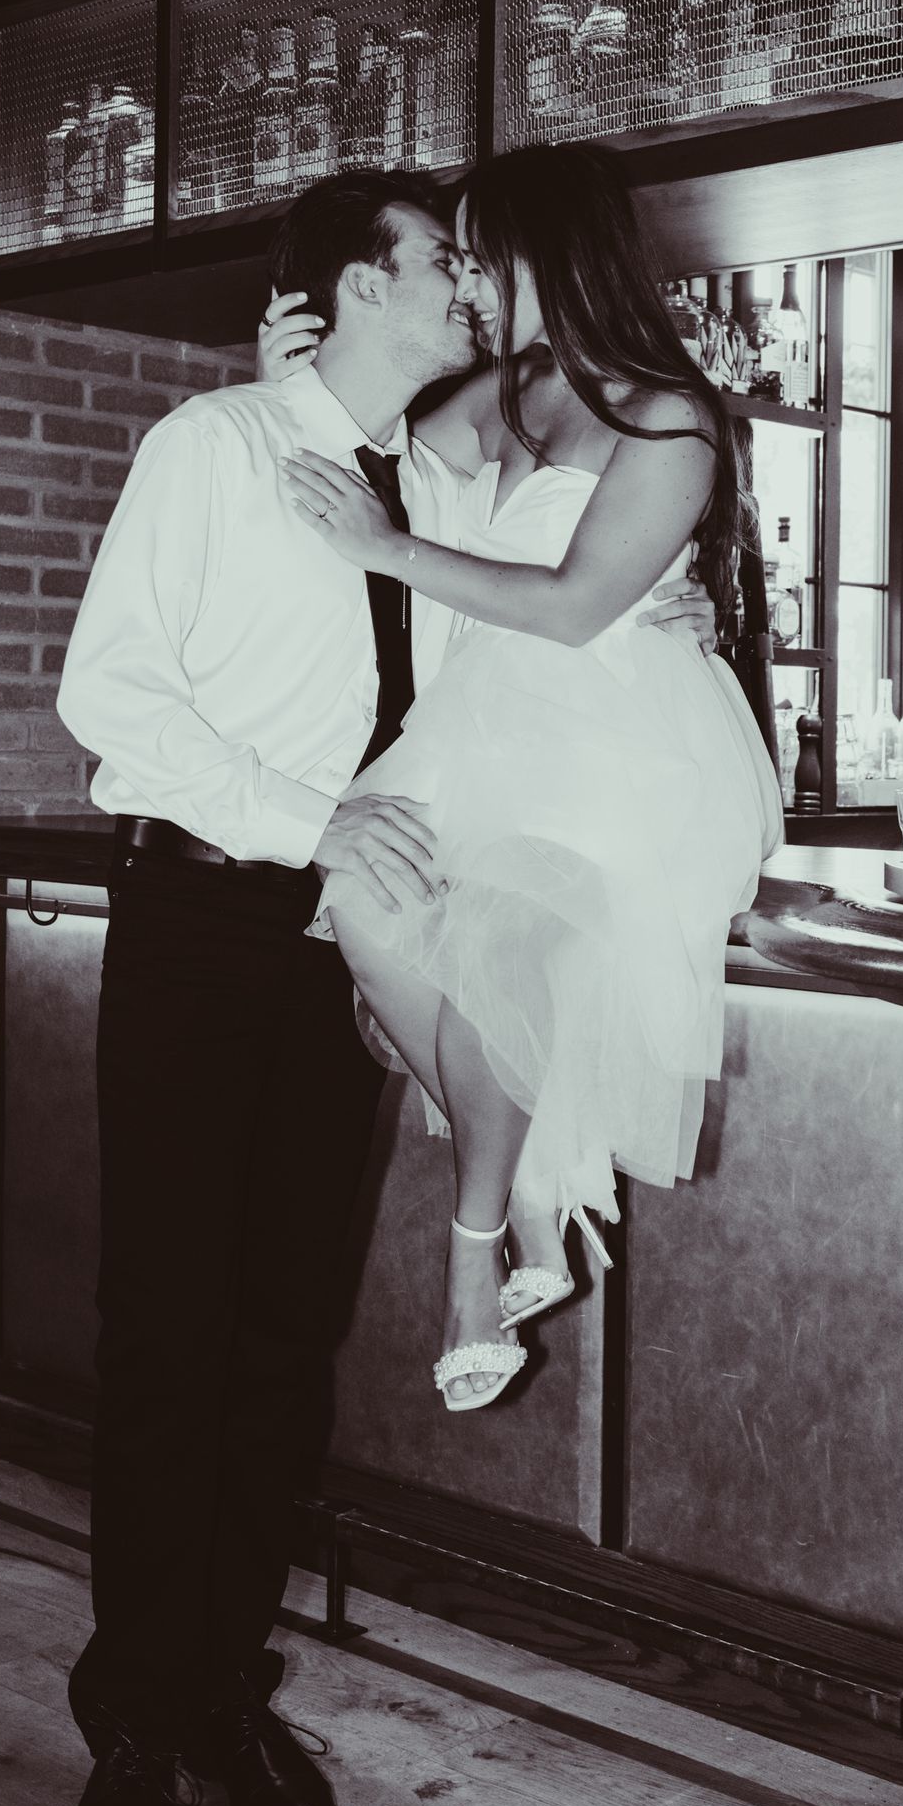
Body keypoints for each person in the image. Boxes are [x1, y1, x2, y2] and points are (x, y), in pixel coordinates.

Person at [52, 168, 715, 1806]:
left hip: (343, 939)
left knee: (285, 1339)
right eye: (440, 265)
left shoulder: (435, 479)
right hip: (205, 924)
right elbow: (108, 697)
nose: (469, 290)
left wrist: (664, 616)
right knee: (167, 1335)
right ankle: (132, 1727)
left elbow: (534, 640)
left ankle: (220, 1695)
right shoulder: (208, 448)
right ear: (359, 286)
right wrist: (311, 824)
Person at [280, 143, 782, 1413]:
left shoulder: (675, 419)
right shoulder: (512, 391)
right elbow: (378, 435)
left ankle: (472, 1255)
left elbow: (569, 605)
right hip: (487, 727)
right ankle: (542, 1192)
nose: (465, 283)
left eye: (477, 259)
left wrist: (387, 549)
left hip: (615, 745)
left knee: (500, 946)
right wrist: (290, 380)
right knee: (363, 903)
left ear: (546, 254)